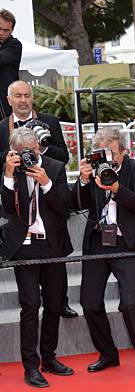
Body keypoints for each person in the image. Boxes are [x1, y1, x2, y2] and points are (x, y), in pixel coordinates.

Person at [72, 127, 135, 381]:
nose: (107, 159)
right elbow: (76, 204)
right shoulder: (97, 169)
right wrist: (84, 180)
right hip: (98, 241)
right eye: (102, 153)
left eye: (111, 152)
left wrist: (117, 188)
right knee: (89, 302)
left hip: (126, 244)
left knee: (131, 303)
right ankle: (108, 353)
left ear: (123, 149)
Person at [1, 127, 73, 387]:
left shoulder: (54, 167)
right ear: (15, 153)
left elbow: (66, 206)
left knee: (54, 305)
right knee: (30, 306)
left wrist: (46, 183)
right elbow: (8, 209)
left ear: (39, 147)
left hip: (52, 246)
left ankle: (49, 358)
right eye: (23, 153)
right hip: (25, 247)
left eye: (32, 151)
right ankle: (30, 366)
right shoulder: (12, 170)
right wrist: (8, 175)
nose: (29, 157)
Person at [0, 80, 77, 318]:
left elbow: (63, 156)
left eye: (27, 95)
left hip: (46, 196)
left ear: (32, 97)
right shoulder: (2, 127)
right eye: (18, 96)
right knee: (30, 303)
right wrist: (13, 158)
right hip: (18, 196)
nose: (23, 100)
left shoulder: (50, 122)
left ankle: (61, 302)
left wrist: (40, 148)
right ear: (9, 99)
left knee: (55, 275)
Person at [0, 9, 22, 118]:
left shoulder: (15, 45)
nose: (1, 33)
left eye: (5, 30)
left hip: (5, 102)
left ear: (12, 30)